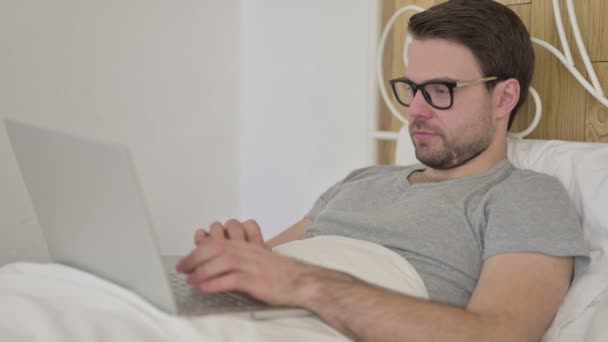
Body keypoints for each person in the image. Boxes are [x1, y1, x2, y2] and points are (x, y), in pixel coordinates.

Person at [177, 0, 589, 340]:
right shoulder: (362, 180)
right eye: (412, 89)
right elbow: (276, 268)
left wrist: (306, 282)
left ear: (503, 98)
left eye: (440, 91)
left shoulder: (524, 196)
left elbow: (496, 334)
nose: (415, 110)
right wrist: (240, 257)